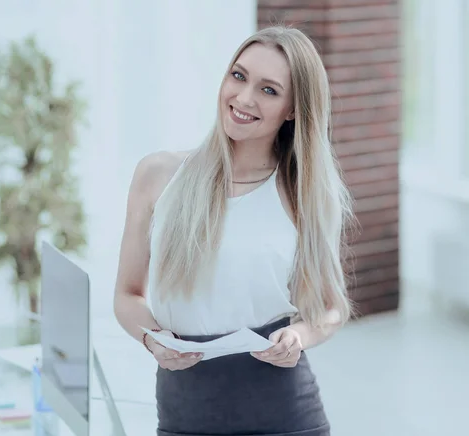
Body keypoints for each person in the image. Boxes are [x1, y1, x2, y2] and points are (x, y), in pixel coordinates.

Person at [113, 25, 356, 436]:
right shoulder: (158, 176)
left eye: (269, 90)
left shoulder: (304, 192)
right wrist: (153, 337)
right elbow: (127, 295)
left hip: (284, 416)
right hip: (184, 413)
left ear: (293, 110)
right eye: (239, 76)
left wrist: (299, 336)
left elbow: (333, 308)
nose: (243, 98)